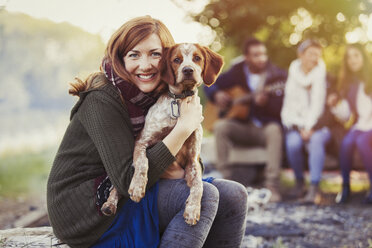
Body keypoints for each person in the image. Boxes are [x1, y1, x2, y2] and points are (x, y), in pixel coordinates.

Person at [47, 16, 248, 248]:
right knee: (207, 196)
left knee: (234, 194)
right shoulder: (101, 100)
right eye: (134, 55)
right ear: (120, 59)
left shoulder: (163, 95)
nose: (146, 65)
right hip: (89, 210)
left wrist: (184, 148)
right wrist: (183, 128)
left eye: (154, 54)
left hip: (136, 189)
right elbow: (126, 181)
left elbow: (187, 160)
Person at [203, 37, 287, 202]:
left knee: (275, 130)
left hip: (263, 127)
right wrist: (216, 94)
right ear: (247, 57)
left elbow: (281, 110)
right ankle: (224, 182)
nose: (261, 58)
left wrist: (265, 103)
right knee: (220, 126)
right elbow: (210, 83)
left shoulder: (277, 76)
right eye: (256, 55)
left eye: (263, 54)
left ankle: (272, 187)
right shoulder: (237, 71)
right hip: (240, 126)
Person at [281, 39, 331, 204]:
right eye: (311, 53)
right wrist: (300, 127)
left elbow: (321, 108)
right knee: (293, 144)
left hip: (320, 126)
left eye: (317, 54)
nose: (314, 58)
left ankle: (314, 189)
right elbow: (288, 108)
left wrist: (310, 127)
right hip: (296, 125)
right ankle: (299, 184)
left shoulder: (324, 75)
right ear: (300, 55)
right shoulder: (293, 73)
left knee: (316, 141)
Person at [327, 43, 372, 204]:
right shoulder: (348, 84)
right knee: (346, 143)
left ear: (363, 58)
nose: (352, 60)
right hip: (361, 124)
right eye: (349, 57)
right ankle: (346, 187)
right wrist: (335, 105)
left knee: (361, 141)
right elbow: (346, 116)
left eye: (356, 56)